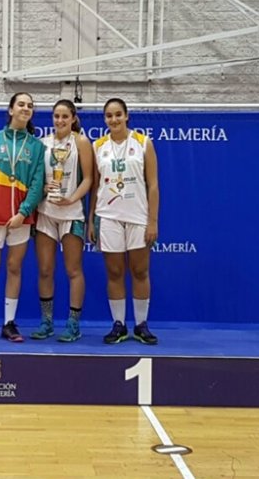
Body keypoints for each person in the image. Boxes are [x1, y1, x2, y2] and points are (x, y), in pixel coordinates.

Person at [0, 92, 46, 342]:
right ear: (11, 109)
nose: (26, 108)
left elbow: (37, 183)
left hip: (21, 218)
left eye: (30, 105)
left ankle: (9, 323)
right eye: (21, 104)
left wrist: (23, 212)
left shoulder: (36, 146)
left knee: (14, 268)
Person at [89, 98, 160, 345]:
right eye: (109, 116)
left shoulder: (143, 143)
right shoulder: (97, 146)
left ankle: (141, 325)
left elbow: (153, 185)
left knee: (140, 270)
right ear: (104, 119)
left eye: (118, 114)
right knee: (115, 271)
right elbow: (94, 186)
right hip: (108, 216)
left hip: (138, 216)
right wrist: (91, 220)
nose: (114, 120)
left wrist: (153, 221)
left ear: (127, 116)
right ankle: (118, 324)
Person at [31, 100, 93, 342]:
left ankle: (73, 324)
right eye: (56, 116)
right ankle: (46, 322)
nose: (60, 121)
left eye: (65, 116)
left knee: (73, 269)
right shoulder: (43, 143)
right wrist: (44, 188)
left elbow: (88, 178)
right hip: (46, 211)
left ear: (73, 117)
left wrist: (71, 198)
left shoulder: (81, 142)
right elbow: (36, 178)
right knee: (45, 269)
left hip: (72, 212)